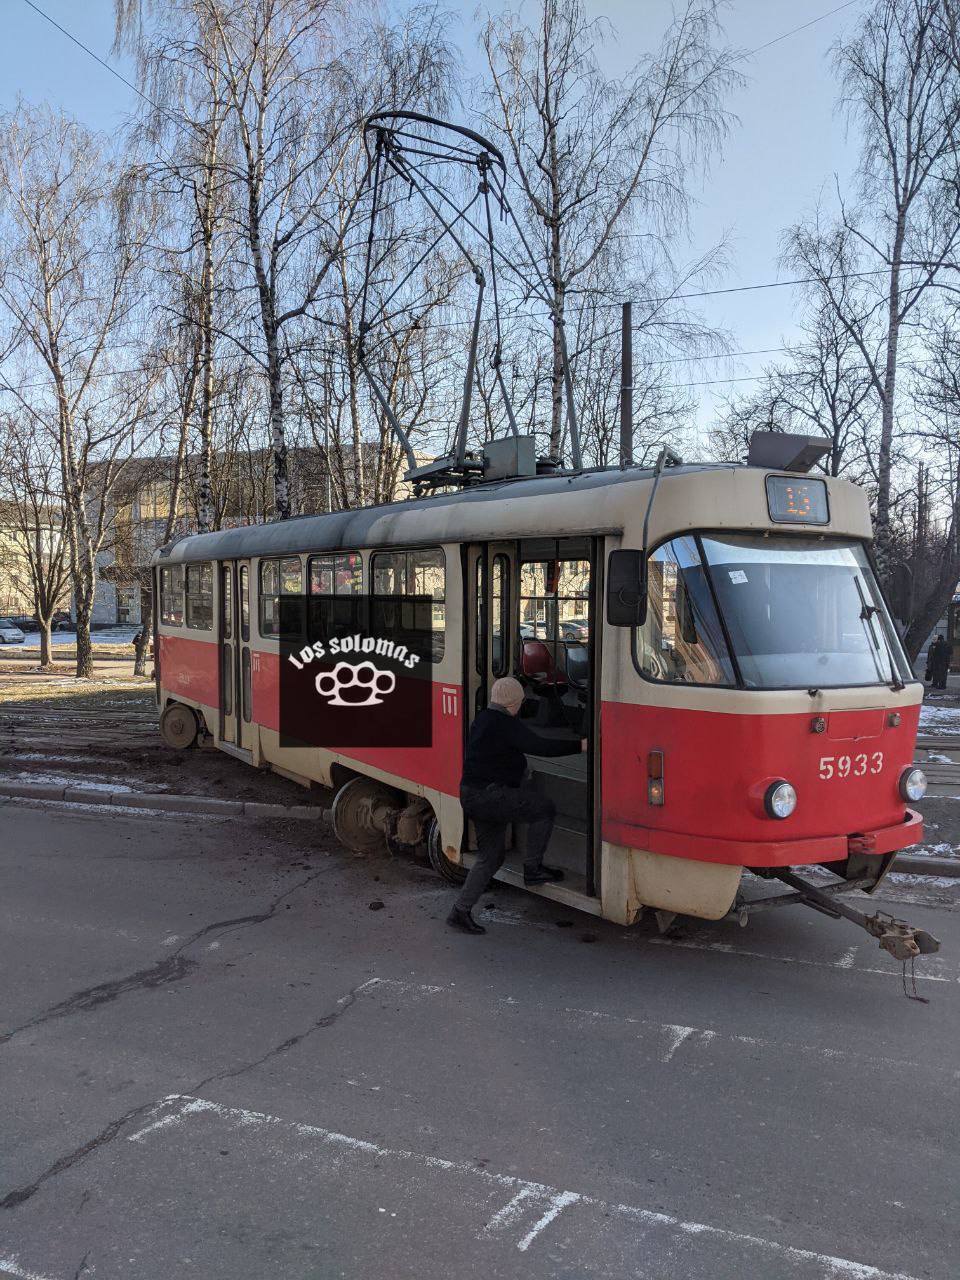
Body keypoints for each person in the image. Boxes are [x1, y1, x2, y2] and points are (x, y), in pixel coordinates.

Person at [448, 675, 586, 935]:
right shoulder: (504, 723)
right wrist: (580, 745)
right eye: (521, 702)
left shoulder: (482, 720)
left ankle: (459, 911)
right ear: (513, 703)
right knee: (543, 809)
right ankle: (533, 869)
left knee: (491, 856)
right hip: (491, 797)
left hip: (472, 795)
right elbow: (539, 746)